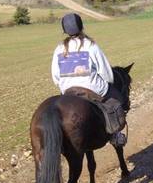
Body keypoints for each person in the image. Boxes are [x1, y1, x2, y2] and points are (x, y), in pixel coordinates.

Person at [51, 13, 127, 146]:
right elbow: (106, 72)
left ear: (64, 30)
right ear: (81, 26)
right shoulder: (91, 45)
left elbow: (56, 77)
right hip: (92, 88)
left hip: (68, 90)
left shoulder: (59, 48)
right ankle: (115, 135)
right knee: (115, 100)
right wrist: (108, 82)